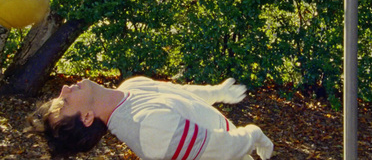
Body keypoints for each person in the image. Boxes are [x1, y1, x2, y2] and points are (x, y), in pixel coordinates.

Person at [28, 76, 274, 160]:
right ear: (88, 117)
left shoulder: (130, 87)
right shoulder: (148, 129)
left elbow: (178, 93)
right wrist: (254, 134)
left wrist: (216, 92)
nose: (64, 90)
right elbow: (222, 150)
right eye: (65, 102)